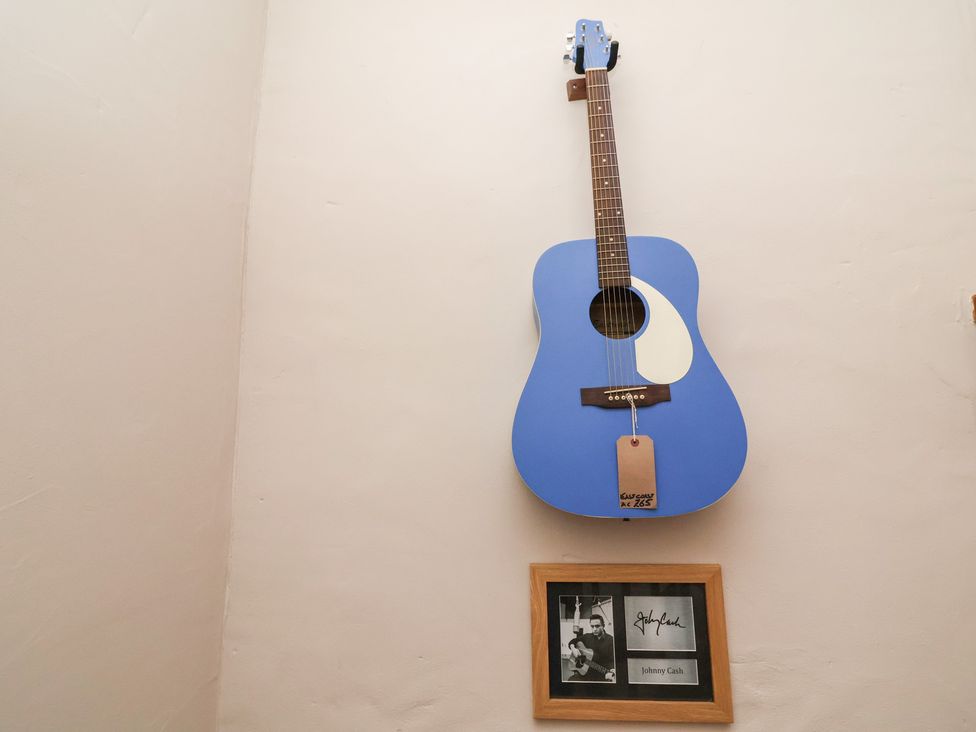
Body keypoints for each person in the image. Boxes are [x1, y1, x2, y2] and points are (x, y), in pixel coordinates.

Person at [567, 614, 615, 682]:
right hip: (585, 673)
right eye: (592, 626)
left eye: (597, 626)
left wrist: (611, 671)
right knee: (571, 681)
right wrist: (573, 648)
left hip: (601, 675)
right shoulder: (587, 637)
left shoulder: (611, 641)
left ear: (603, 626)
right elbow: (573, 641)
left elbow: (613, 661)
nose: (594, 629)